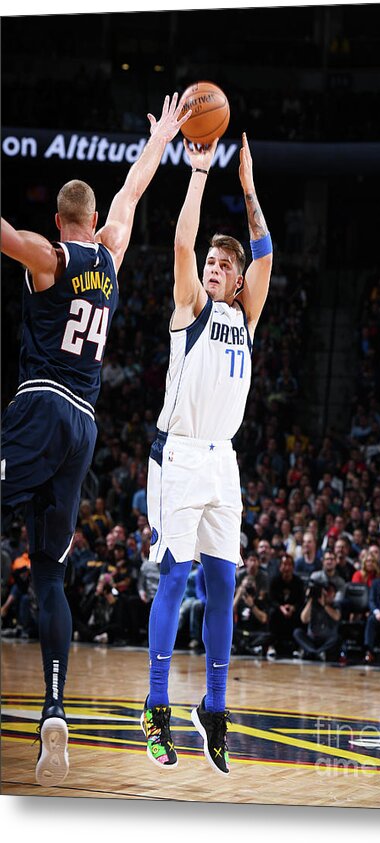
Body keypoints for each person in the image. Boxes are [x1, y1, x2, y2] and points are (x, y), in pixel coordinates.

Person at [0, 93, 191, 787]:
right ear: (92, 219)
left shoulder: (48, 256)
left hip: (43, 406)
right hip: (84, 423)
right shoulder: (109, 253)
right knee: (48, 572)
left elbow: (6, 236)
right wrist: (164, 136)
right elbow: (135, 188)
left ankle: (53, 705)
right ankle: (54, 707)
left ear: (58, 220)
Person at [141, 132, 273, 776]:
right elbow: (181, 246)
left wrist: (247, 187)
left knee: (223, 584)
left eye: (225, 266)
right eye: (212, 264)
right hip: (180, 456)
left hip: (224, 460)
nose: (215, 270)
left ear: (239, 275)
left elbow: (267, 253)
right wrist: (198, 173)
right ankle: (156, 707)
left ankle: (213, 709)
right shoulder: (190, 308)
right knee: (174, 577)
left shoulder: (247, 315)